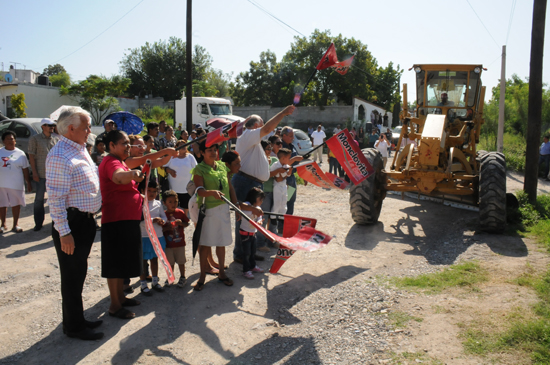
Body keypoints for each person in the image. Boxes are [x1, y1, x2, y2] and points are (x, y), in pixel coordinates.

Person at [45, 106, 103, 340]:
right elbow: (56, 198)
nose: (89, 130)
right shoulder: (60, 155)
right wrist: (64, 232)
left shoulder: (79, 149)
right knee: (71, 277)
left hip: (85, 221)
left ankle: (77, 319)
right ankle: (74, 327)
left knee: (78, 274)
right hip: (72, 223)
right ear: (71, 129)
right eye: (86, 126)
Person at [232, 106, 296, 263]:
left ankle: (249, 253)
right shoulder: (247, 135)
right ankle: (241, 254)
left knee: (253, 219)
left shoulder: (254, 142)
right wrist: (283, 112)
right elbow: (268, 128)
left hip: (252, 182)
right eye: (260, 125)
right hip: (246, 182)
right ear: (255, 126)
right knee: (244, 218)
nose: (265, 130)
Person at [99, 130, 145, 320]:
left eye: (129, 143)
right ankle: (115, 305)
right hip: (116, 220)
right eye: (124, 143)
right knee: (115, 265)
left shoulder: (120, 161)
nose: (128, 146)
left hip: (125, 219)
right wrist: (133, 174)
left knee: (122, 262)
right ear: (112, 145)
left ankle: (121, 298)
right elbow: (118, 177)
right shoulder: (111, 162)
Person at [191, 141, 238, 291]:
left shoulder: (223, 166)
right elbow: (199, 190)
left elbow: (230, 187)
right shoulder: (199, 169)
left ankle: (222, 274)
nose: (212, 152)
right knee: (205, 244)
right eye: (209, 150)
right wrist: (211, 193)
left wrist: (236, 207)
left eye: (214, 150)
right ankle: (202, 276)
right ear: (202, 153)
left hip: (223, 210)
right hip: (208, 211)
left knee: (221, 242)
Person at [28, 118, 60, 231]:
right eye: (49, 125)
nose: (52, 127)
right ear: (43, 126)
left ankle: (55, 224)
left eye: (53, 125)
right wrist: (34, 172)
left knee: (55, 201)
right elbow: (31, 156)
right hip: (41, 174)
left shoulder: (56, 139)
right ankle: (38, 223)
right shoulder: (34, 139)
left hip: (54, 175)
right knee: (39, 200)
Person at [138, 180, 167, 296]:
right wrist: (152, 221)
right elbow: (139, 221)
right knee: (143, 262)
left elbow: (163, 216)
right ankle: (143, 284)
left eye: (154, 191)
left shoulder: (158, 204)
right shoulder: (139, 204)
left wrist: (163, 221)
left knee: (154, 260)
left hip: (157, 236)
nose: (151, 193)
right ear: (142, 191)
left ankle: (155, 281)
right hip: (144, 237)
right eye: (149, 190)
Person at [0, 131, 32, 234]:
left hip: (16, 184)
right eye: (8, 139)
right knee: (2, 204)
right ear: (3, 141)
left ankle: (15, 225)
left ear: (15, 140)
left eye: (12, 139)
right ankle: (3, 224)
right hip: (1, 184)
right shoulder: (0, 152)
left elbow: (25, 169)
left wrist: (28, 182)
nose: (10, 141)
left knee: (16, 204)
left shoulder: (20, 154)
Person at [162, 190, 190, 287]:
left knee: (181, 261)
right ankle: (170, 277)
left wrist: (181, 223)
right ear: (164, 203)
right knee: (170, 262)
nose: (173, 204)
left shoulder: (180, 212)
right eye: (170, 202)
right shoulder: (163, 215)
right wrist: (166, 228)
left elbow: (187, 223)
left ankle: (183, 277)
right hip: (168, 244)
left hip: (180, 243)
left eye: (175, 201)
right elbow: (160, 229)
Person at [255, 140, 279, 250]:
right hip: (264, 193)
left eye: (270, 148)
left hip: (275, 191)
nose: (270, 151)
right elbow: (264, 176)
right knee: (263, 217)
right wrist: (276, 172)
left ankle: (272, 240)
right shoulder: (258, 161)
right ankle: (260, 243)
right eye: (267, 149)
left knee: (274, 217)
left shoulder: (274, 160)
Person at [164, 139, 198, 216]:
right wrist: (170, 170)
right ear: (176, 147)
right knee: (173, 202)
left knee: (186, 204)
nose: (183, 146)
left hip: (186, 187)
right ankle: (174, 216)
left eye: (185, 145)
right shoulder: (172, 157)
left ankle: (185, 216)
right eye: (181, 145)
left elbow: (196, 168)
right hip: (174, 187)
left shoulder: (190, 157)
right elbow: (164, 167)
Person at [240, 187, 266, 280]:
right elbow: (245, 212)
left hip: (253, 233)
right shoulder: (246, 205)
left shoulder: (258, 208)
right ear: (254, 197)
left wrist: (259, 222)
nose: (262, 201)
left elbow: (259, 217)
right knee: (246, 253)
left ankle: (253, 266)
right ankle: (246, 270)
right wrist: (254, 211)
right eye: (260, 199)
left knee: (252, 252)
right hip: (245, 233)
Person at [280, 126, 303, 218]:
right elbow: (282, 164)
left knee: (291, 201)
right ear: (284, 135)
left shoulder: (292, 146)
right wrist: (294, 159)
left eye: (293, 136)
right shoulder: (280, 146)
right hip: (284, 178)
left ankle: (288, 222)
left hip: (292, 177)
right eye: (290, 136)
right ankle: (282, 224)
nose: (292, 138)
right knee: (285, 201)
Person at [270, 148, 293, 217]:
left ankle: (282, 216)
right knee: (277, 201)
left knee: (284, 201)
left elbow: (288, 174)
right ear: (283, 158)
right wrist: (279, 171)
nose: (289, 160)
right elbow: (272, 174)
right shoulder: (275, 165)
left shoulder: (286, 166)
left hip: (284, 185)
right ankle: (273, 216)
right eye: (288, 158)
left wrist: (290, 170)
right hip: (277, 185)